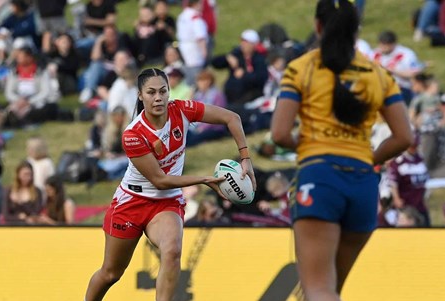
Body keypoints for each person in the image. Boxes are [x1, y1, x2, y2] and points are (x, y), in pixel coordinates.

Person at [270, 1, 413, 300]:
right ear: (355, 29)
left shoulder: (301, 68)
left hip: (320, 177)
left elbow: (280, 134)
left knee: (319, 290)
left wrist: (310, 148)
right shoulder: (379, 75)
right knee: (330, 290)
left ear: (318, 26)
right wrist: (366, 158)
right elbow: (403, 138)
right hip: (362, 183)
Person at [84, 67, 256, 301]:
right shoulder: (133, 134)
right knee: (111, 273)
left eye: (163, 91)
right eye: (151, 92)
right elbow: (160, 180)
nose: (158, 98)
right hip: (132, 203)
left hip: (165, 203)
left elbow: (231, 118)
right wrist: (204, 179)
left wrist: (245, 158)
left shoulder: (182, 110)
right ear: (140, 95)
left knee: (172, 251)